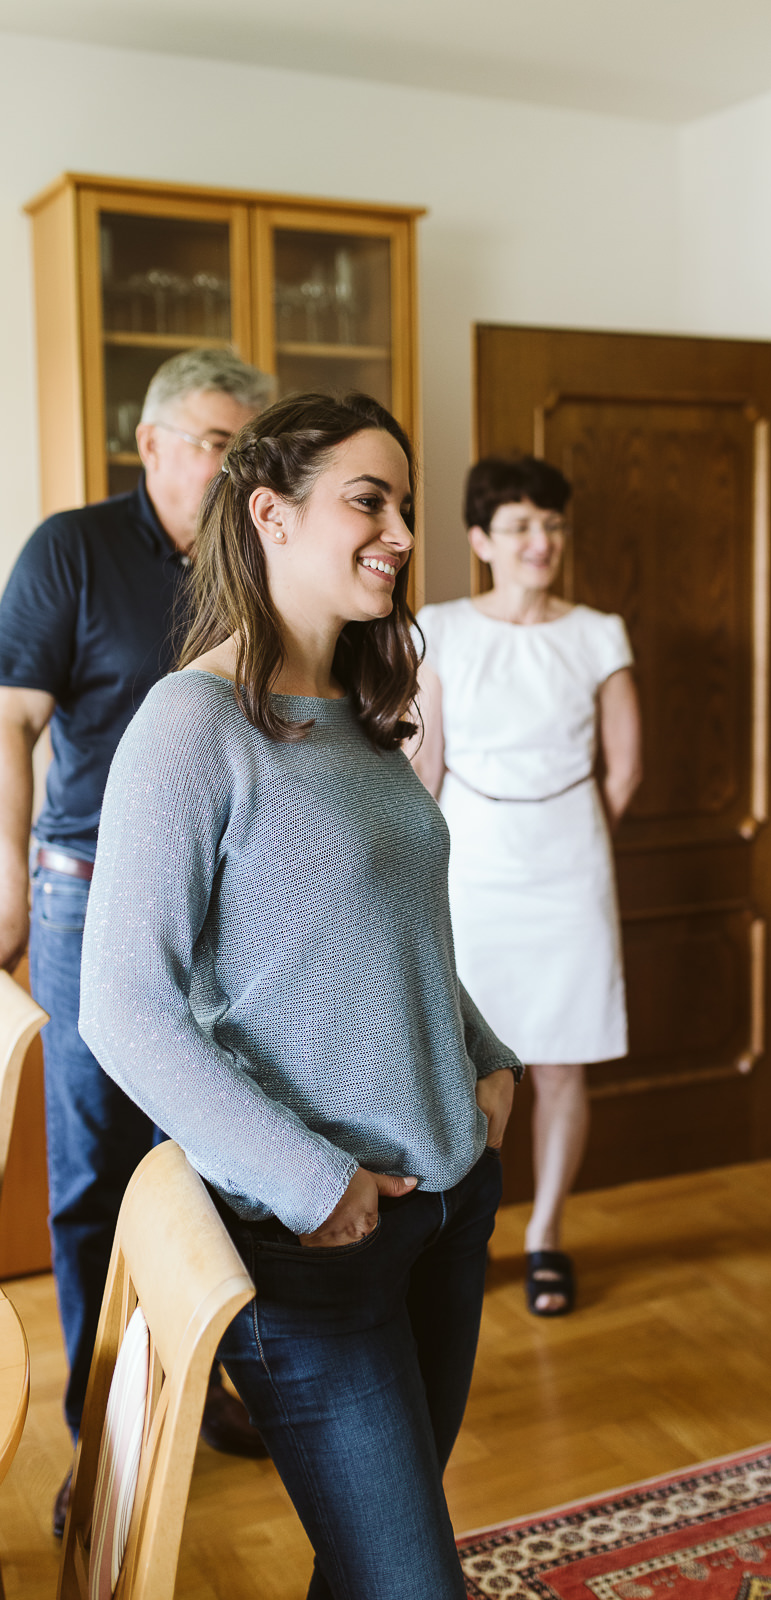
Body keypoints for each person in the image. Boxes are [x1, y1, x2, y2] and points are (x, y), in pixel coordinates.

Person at [79, 391, 521, 1600]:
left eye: (405, 508)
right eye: (366, 501)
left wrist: (489, 1062)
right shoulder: (190, 723)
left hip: (442, 1209)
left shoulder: (365, 721)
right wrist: (312, 1182)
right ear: (270, 513)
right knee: (413, 1583)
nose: (396, 531)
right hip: (315, 1246)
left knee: (370, 1567)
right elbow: (122, 1005)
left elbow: (397, 937)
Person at [0, 347, 275, 1528]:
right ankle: (94, 1434)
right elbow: (11, 722)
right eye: (216, 441)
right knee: (91, 1176)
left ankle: (202, 1383)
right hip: (80, 893)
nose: (231, 466)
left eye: (245, 446)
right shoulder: (70, 548)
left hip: (220, 902)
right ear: (152, 442)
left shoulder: (255, 555)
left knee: (210, 1161)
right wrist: (5, 883)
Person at [409, 456, 642, 1314]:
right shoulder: (441, 627)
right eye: (519, 527)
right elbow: (421, 768)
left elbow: (624, 768)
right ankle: (462, 1232)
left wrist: (570, 836)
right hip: (470, 862)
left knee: (564, 1060)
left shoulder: (597, 632)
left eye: (551, 526)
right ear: (481, 540)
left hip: (570, 862)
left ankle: (547, 1232)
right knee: (461, 1059)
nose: (539, 542)